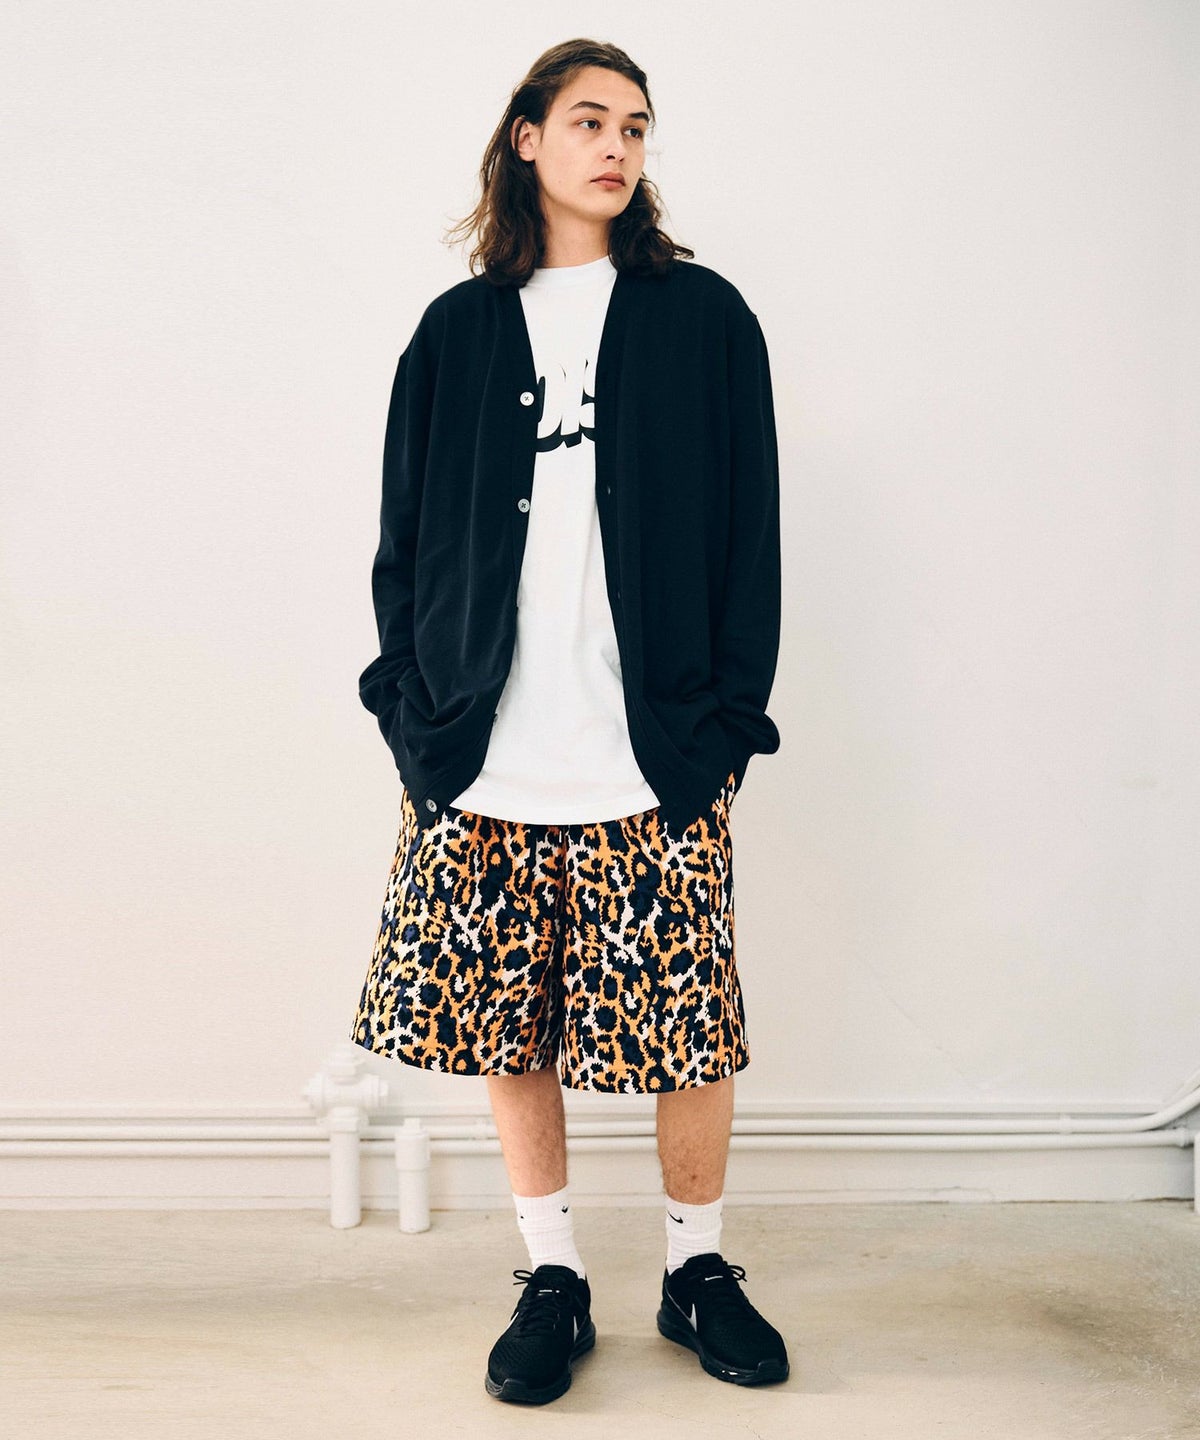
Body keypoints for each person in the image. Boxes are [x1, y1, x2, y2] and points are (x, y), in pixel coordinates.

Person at [350, 37, 786, 1404]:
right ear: (526, 138)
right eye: (590, 120)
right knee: (506, 1027)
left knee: (689, 1026)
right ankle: (553, 1274)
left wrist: (722, 728)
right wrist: (415, 715)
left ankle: (697, 1270)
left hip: (653, 752)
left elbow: (751, 539)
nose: (617, 146)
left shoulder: (703, 319)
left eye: (637, 127)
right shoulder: (457, 331)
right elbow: (405, 544)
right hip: (483, 752)